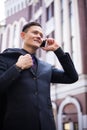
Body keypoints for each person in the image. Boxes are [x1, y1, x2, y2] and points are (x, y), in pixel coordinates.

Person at [0, 22, 78, 130]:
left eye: (41, 35)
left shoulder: (45, 67)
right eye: (35, 32)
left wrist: (58, 50)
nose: (39, 36)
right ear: (23, 35)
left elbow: (72, 77)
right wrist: (17, 67)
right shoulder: (5, 58)